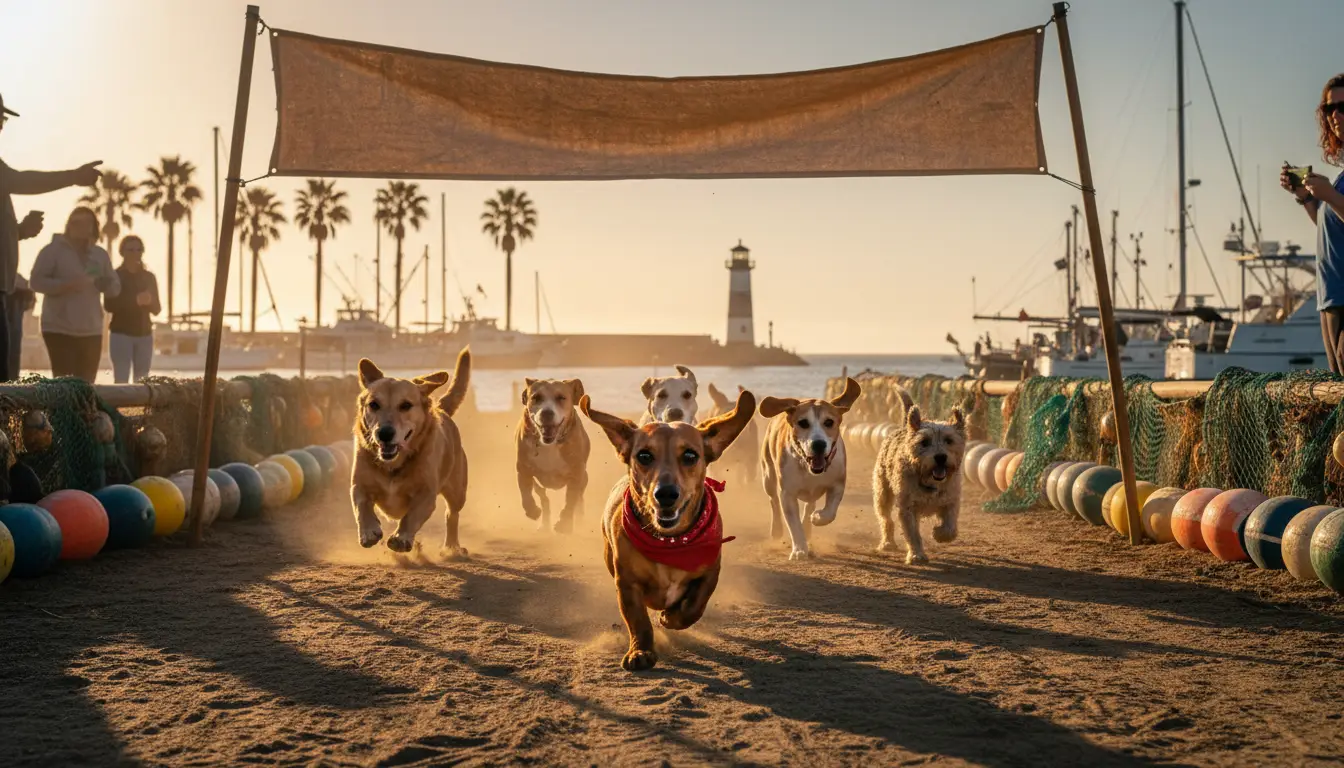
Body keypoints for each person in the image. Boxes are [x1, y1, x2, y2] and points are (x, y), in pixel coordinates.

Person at [0, 92, 102, 380]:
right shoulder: (55, 252)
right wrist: (72, 176)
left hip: (5, 293)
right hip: (50, 322)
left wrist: (18, 232)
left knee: (5, 379)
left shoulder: (98, 255)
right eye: (0, 117)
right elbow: (21, 180)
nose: (1, 124)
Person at [1287, 74, 1344, 374]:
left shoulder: (1337, 186)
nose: (1335, 115)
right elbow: (1329, 228)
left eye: (1342, 107)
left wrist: (1330, 195)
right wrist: (1305, 197)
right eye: (1328, 109)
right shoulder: (1340, 178)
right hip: (1330, 300)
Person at [30, 207, 120, 381]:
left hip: (91, 330)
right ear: (68, 225)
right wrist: (65, 285)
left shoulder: (99, 255)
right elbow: (35, 282)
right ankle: (60, 410)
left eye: (87, 223)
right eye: (76, 222)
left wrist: (106, 285)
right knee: (64, 384)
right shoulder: (52, 251)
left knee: (86, 385)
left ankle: (85, 410)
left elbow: (115, 287)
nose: (81, 227)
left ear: (94, 227)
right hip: (58, 328)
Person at [104, 235, 160, 383]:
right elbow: (109, 305)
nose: (135, 253)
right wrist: (134, 301)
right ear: (122, 252)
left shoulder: (149, 277)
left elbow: (157, 309)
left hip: (144, 335)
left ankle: (140, 406)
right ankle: (118, 406)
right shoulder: (115, 276)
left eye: (138, 250)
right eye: (131, 250)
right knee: (121, 378)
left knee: (142, 380)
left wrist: (149, 300)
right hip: (121, 334)